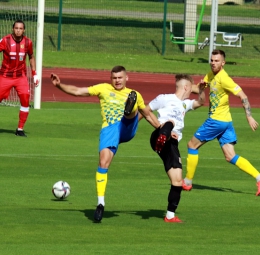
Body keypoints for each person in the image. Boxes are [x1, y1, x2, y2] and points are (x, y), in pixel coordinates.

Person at [50, 66, 160, 222]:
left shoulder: (134, 93)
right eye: (114, 78)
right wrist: (59, 85)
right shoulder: (103, 88)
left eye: (120, 78)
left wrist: (162, 130)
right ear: (111, 79)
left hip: (127, 127)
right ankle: (100, 204)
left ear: (126, 78)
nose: (117, 81)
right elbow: (78, 91)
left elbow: (148, 115)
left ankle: (130, 110)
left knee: (132, 108)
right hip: (110, 130)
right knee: (103, 162)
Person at [182, 49, 260, 195]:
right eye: (211, 60)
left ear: (223, 63)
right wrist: (183, 88)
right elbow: (199, 88)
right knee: (230, 156)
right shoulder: (211, 75)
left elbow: (243, 96)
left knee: (192, 145)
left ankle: (187, 182)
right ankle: (259, 178)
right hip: (226, 122)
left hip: (216, 121)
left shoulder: (225, 79)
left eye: (216, 61)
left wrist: (248, 116)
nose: (213, 63)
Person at [143, 74, 205, 223]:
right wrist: (160, 127)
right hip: (160, 133)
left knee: (177, 181)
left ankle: (170, 216)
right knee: (169, 122)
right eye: (192, 87)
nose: (193, 90)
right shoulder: (165, 98)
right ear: (186, 87)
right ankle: (163, 137)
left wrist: (202, 90)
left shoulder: (185, 104)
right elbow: (145, 110)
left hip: (172, 143)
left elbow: (201, 102)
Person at [0, 19, 40, 137]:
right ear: (12, 29)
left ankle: (20, 129)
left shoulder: (28, 42)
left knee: (25, 100)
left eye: (20, 28)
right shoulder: (5, 40)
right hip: (5, 76)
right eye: (16, 28)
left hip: (20, 77)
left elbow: (31, 57)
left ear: (24, 30)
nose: (18, 31)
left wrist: (34, 73)